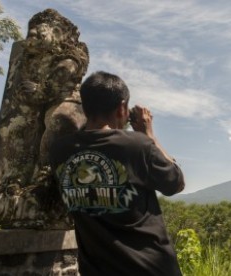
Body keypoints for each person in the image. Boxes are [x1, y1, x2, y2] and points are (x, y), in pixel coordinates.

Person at [49, 71, 185, 275]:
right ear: (122, 108)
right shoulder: (138, 145)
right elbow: (176, 182)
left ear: (85, 107)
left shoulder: (59, 150)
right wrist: (149, 135)